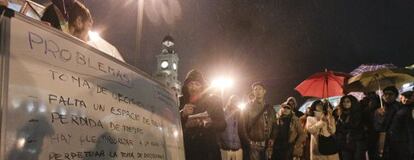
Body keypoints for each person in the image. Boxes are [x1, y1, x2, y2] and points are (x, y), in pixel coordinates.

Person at [179, 69, 226, 160]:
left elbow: (223, 125)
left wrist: (210, 123)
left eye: (197, 84)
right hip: (188, 150)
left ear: (202, 86)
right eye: (191, 84)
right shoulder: (180, 101)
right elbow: (172, 125)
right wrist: (182, 115)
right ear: (186, 86)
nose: (193, 88)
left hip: (209, 151)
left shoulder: (214, 100)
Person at [240, 82, 276, 160]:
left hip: (266, 145)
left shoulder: (270, 108)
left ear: (264, 91)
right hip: (253, 145)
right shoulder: (248, 107)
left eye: (260, 89)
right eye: (255, 89)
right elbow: (242, 127)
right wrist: (249, 142)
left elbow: (274, 125)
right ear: (253, 92)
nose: (258, 91)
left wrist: (272, 138)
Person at [373, 86, 400, 159]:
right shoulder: (379, 110)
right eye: (385, 94)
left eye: (390, 94)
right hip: (383, 141)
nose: (387, 96)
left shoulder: (401, 108)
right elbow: (377, 128)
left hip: (398, 142)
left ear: (396, 96)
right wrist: (381, 118)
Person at [335, 95, 365, 160]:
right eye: (343, 102)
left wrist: (342, 121)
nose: (345, 103)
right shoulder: (341, 114)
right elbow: (338, 129)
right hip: (344, 143)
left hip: (357, 143)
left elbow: (354, 126)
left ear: (352, 102)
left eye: (348, 101)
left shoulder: (358, 113)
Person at [387, 91, 413, 160]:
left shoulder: (410, 109)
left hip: (405, 141)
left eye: (409, 97)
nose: (406, 99)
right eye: (405, 97)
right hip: (397, 140)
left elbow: (410, 128)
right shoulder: (399, 107)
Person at [219, 95, 243, 160]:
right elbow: (218, 129)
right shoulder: (223, 113)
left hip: (238, 147)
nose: (234, 103)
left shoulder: (241, 114)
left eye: (237, 101)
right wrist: (220, 143)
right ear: (229, 101)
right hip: (225, 147)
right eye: (233, 101)